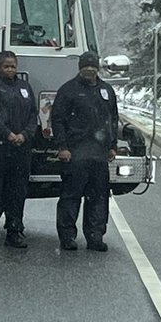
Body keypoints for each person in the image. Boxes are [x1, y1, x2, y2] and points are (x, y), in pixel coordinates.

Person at [52, 51, 119, 252]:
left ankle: (95, 236)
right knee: (71, 197)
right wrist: (62, 146)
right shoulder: (68, 90)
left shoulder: (106, 91)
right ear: (80, 67)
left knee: (98, 198)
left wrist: (113, 145)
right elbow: (57, 119)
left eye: (93, 66)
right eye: (86, 66)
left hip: (99, 154)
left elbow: (113, 118)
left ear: (97, 68)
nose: (89, 70)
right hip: (75, 154)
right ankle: (67, 237)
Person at [0, 51, 37, 249]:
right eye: (6, 66)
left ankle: (14, 231)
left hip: (20, 149)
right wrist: (7, 134)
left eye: (13, 66)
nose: (10, 70)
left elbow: (33, 115)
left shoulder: (24, 87)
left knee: (17, 192)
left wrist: (25, 135)